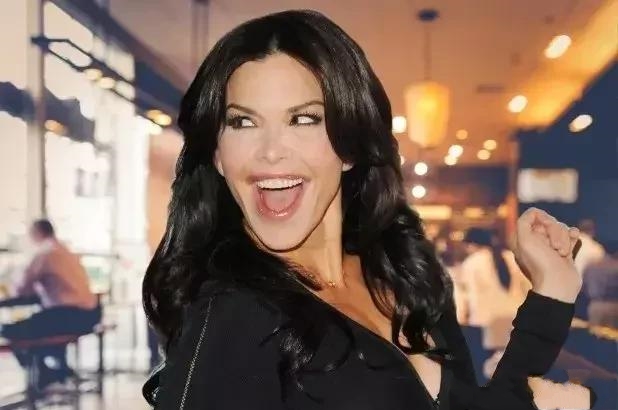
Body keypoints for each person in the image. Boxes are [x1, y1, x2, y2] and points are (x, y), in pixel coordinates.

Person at [142, 10, 594, 409]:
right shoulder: (233, 316)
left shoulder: (404, 272)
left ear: (349, 146)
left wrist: (553, 289)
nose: (271, 152)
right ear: (218, 155)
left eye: (303, 119)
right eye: (243, 122)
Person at [0, 219, 100, 390]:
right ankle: (54, 370)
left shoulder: (44, 253)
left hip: (68, 316)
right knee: (40, 325)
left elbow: (21, 289)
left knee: (9, 330)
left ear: (36, 234)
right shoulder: (66, 250)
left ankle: (44, 373)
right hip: (91, 314)